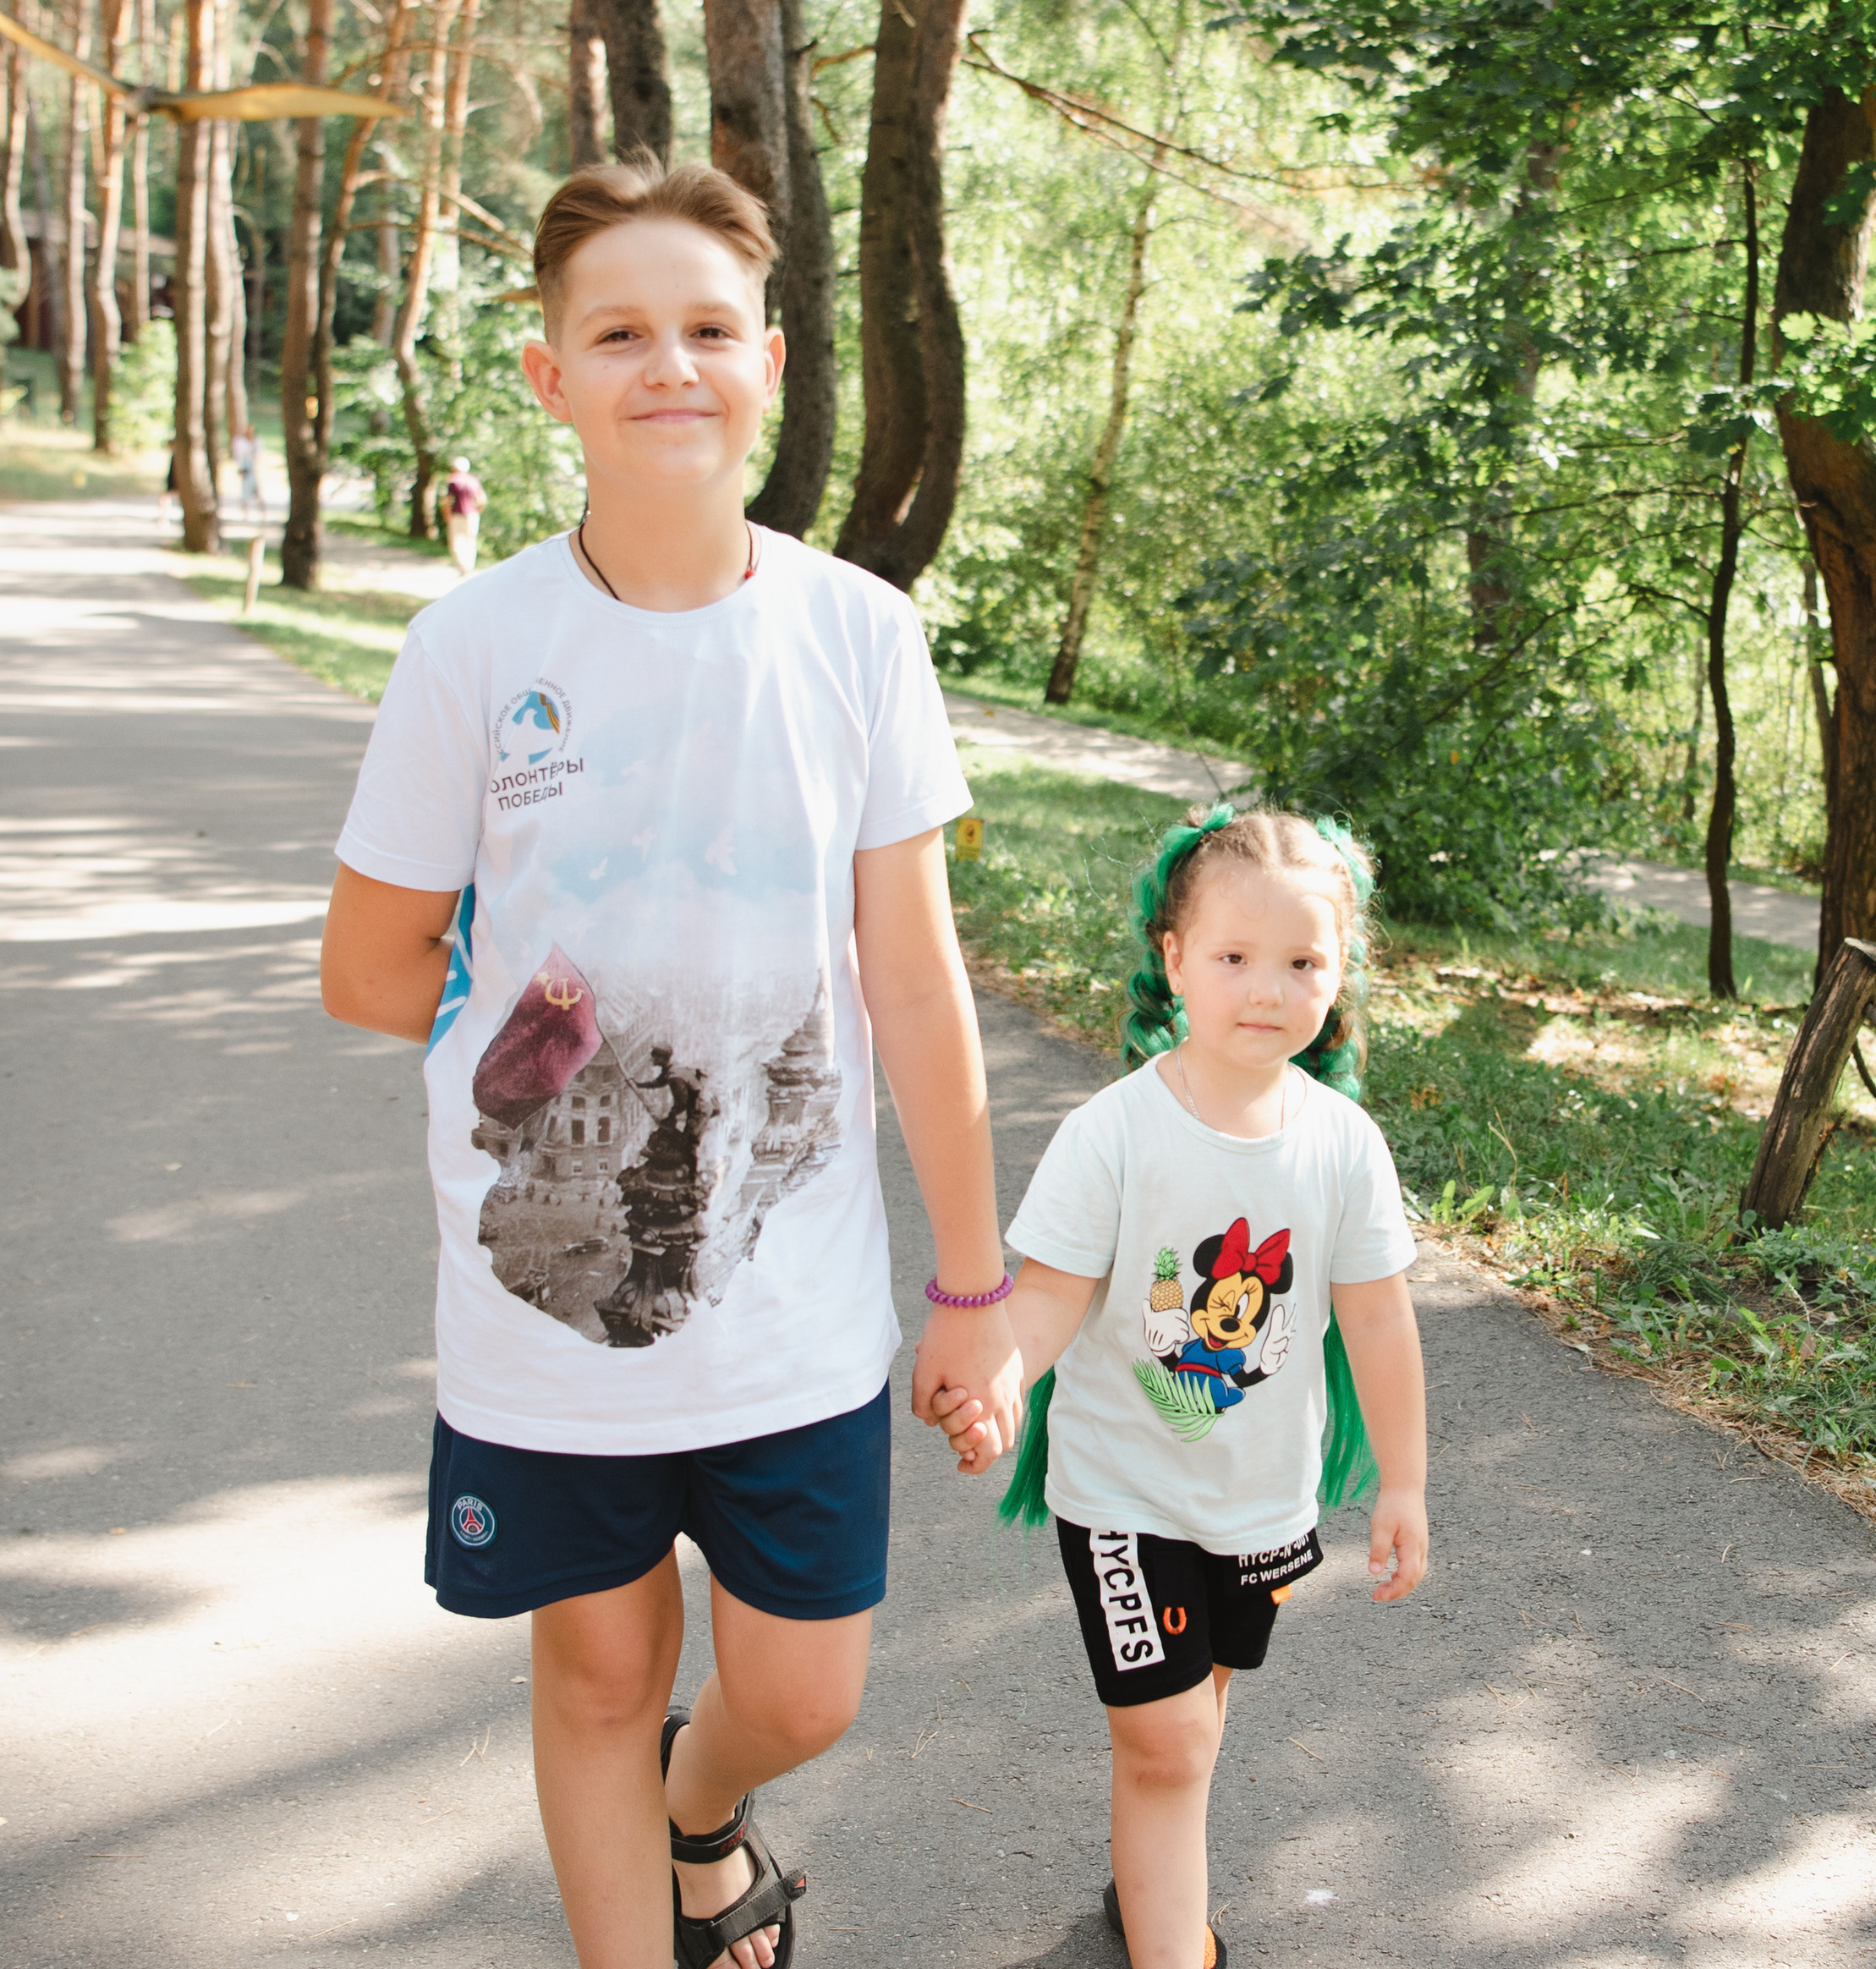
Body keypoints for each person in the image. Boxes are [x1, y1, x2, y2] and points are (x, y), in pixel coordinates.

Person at [319, 155, 1024, 1969]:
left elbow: (915, 983)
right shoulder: (471, 647)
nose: (669, 365)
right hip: (548, 1310)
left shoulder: (856, 634)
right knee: (597, 1666)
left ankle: (702, 1807)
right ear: (548, 376)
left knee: (799, 1689)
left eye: (708, 328)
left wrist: (970, 1281)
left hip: (791, 1310)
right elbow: (369, 969)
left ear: (770, 361)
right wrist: (552, 1056)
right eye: (618, 332)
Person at [931, 807, 1429, 1969]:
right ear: (1174, 960)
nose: (1268, 990)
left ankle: (1149, 1877)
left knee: (1197, 1715)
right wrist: (1002, 1375)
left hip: (1261, 1503)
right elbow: (1048, 1295)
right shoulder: (1116, 1133)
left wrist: (1403, 1483)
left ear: (1342, 972)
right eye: (1235, 958)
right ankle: (1172, 1946)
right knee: (1166, 1746)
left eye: (1303, 962)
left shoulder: (1346, 1144)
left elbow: (1378, 1321)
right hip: (1123, 1494)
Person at [442, 453, 485, 576]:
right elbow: (482, 499)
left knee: (456, 542)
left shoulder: (453, 480)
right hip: (472, 515)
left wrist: (447, 515)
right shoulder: (474, 481)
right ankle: (469, 567)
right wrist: (477, 512)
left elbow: (446, 501)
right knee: (470, 540)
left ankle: (463, 567)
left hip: (457, 515)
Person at [232, 425, 261, 520]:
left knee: (258, 493)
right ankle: (246, 515)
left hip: (254, 471)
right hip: (246, 470)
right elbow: (239, 457)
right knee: (245, 493)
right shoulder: (241, 443)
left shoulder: (256, 442)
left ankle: (262, 514)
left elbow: (258, 457)